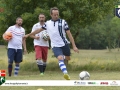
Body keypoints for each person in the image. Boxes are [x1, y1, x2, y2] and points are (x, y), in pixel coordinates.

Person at [25, 7, 79, 80]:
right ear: (51, 14)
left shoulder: (63, 22)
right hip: (55, 45)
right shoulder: (47, 23)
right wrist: (28, 34)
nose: (56, 16)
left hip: (64, 44)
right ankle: (66, 74)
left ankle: (63, 59)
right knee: (60, 58)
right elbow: (38, 30)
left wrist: (74, 46)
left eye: (57, 14)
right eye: (54, 15)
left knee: (68, 58)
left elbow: (69, 34)